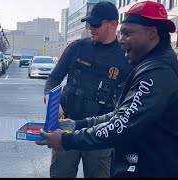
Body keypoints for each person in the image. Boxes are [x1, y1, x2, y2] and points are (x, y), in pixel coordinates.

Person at [37, 1, 178, 178]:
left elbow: (123, 123)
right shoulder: (79, 48)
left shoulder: (157, 71)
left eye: (127, 33)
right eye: (122, 33)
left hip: (117, 144)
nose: (123, 39)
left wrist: (67, 139)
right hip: (87, 128)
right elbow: (123, 115)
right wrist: (75, 125)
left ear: (151, 33)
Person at [43, 1, 133, 178]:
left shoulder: (125, 56)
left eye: (96, 24)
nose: (91, 28)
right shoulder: (77, 48)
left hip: (101, 134)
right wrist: (49, 99)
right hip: (67, 127)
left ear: (113, 24)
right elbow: (54, 78)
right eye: (89, 24)